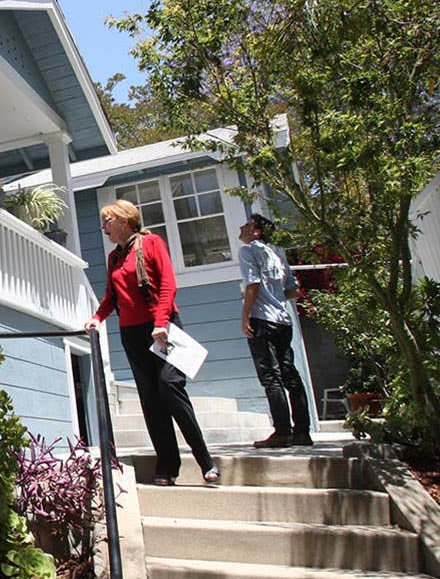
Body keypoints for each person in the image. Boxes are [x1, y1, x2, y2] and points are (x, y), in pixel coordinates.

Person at [84, 200, 219, 486]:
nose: (103, 227)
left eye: (107, 220)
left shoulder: (152, 243)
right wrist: (97, 317)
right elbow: (112, 296)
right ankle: (167, 465)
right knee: (150, 400)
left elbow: (168, 284)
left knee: (170, 388)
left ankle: (205, 460)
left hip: (162, 328)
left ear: (124, 220)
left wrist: (160, 322)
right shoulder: (114, 257)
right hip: (131, 333)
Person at [237, 213, 310, 448]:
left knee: (271, 376)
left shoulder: (248, 251)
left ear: (256, 232)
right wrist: (276, 297)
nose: (242, 227)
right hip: (282, 320)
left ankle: (282, 431)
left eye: (248, 225)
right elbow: (294, 291)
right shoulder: (277, 253)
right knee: (290, 373)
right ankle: (302, 430)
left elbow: (253, 284)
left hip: (262, 319)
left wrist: (246, 314)